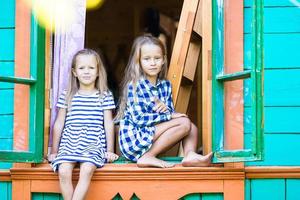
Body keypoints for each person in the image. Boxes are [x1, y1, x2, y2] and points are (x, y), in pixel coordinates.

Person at [116, 35, 212, 168]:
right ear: (139, 62)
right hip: (134, 138)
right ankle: (148, 157)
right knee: (184, 122)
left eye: (157, 58)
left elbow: (168, 115)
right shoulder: (135, 86)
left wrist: (166, 111)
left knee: (191, 127)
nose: (153, 63)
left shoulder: (165, 85)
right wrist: (169, 115)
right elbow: (139, 119)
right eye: (147, 59)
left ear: (163, 60)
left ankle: (190, 155)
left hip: (151, 134)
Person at [48, 49, 119, 200]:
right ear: (74, 72)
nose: (86, 72)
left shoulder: (104, 95)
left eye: (91, 68)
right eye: (82, 68)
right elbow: (59, 123)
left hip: (93, 143)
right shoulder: (67, 95)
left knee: (87, 169)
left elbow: (108, 124)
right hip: (69, 142)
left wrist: (110, 150)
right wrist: (54, 151)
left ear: (98, 71)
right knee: (64, 171)